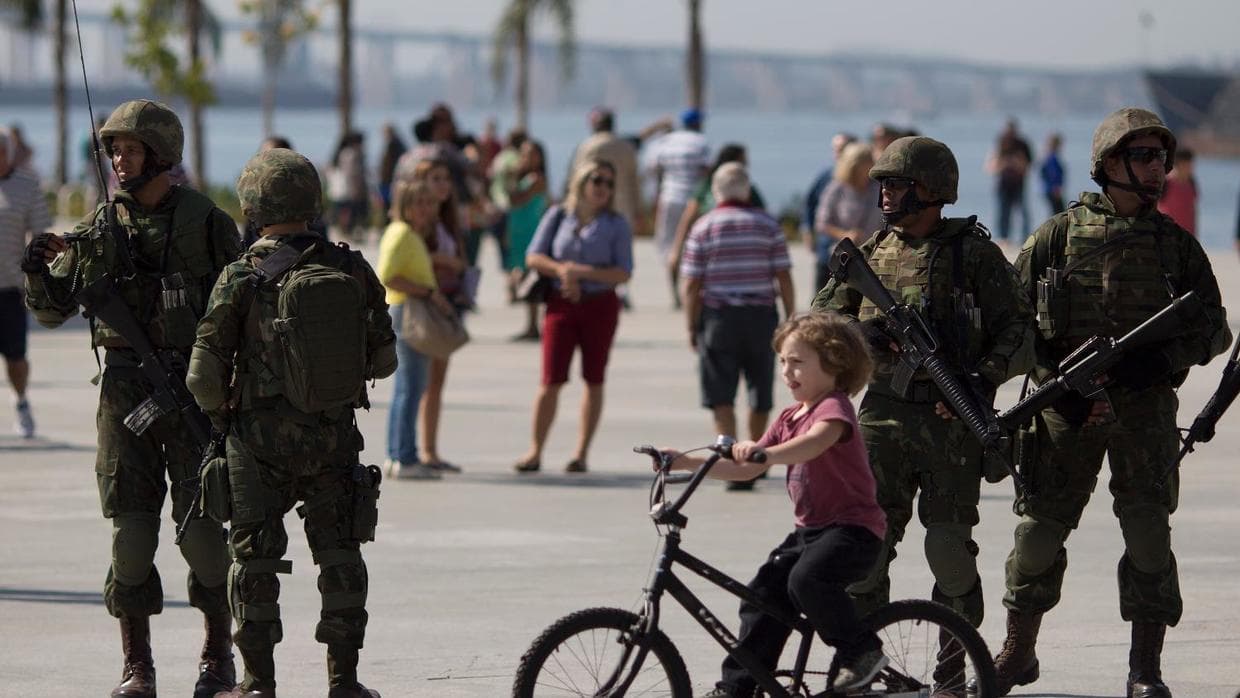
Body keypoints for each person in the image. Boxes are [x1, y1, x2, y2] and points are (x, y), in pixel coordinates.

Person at [984, 108, 1231, 698]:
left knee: (1148, 536)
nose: (1157, 168)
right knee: (1038, 535)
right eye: (1142, 155)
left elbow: (1214, 329)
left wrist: (1163, 361)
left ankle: (1144, 668)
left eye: (1160, 157)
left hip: (1143, 412)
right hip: (1062, 412)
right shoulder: (1057, 237)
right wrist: (1055, 386)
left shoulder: (1175, 246)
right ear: (1108, 163)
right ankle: (1018, 653)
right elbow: (1013, 326)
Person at [22, 99, 241, 698]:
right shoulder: (97, 229)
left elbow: (245, 306)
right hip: (125, 398)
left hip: (195, 396)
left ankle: (218, 654)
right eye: (114, 149)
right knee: (131, 536)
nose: (120, 159)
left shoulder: (206, 223)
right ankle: (137, 665)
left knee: (203, 534)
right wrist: (39, 273)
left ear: (162, 156)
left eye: (132, 148)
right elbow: (51, 313)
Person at [813, 135, 1035, 691]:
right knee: (868, 547)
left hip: (950, 424)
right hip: (882, 420)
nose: (885, 193)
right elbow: (819, 322)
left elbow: (1022, 330)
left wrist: (983, 377)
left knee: (948, 551)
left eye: (898, 183)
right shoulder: (871, 252)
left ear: (933, 191)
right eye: (882, 183)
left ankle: (953, 670)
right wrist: (858, 336)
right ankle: (864, 665)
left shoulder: (974, 254)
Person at [186, 147, 396, 698]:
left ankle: (258, 684)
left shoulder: (240, 277)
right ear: (313, 200)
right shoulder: (351, 266)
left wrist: (225, 412)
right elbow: (385, 360)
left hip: (257, 447)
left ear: (253, 206)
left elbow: (203, 376)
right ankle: (345, 682)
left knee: (254, 562)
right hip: (333, 440)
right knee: (341, 556)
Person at [664, 311, 888, 696]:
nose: (787, 371)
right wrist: (683, 462)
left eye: (798, 362)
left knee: (807, 580)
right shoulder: (789, 416)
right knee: (762, 597)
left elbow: (814, 443)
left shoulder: (832, 408)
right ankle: (739, 686)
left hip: (853, 531)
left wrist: (767, 455)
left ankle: (861, 653)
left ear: (834, 363)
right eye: (783, 361)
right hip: (810, 533)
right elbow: (743, 469)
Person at [513, 158, 634, 474]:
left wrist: (580, 273)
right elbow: (534, 256)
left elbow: (623, 272)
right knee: (550, 379)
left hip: (600, 305)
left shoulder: (616, 224)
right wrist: (562, 271)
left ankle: (581, 452)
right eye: (597, 180)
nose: (603, 188)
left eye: (609, 183)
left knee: (594, 378)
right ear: (580, 182)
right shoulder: (558, 215)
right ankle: (535, 450)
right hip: (560, 305)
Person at [680, 163, 794, 492]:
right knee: (760, 392)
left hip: (719, 319)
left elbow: (691, 284)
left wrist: (691, 324)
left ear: (716, 192)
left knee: (721, 396)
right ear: (746, 190)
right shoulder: (768, 225)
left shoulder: (703, 227)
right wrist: (789, 319)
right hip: (761, 317)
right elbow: (783, 276)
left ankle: (731, 461)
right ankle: (755, 461)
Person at [377, 179, 451, 481]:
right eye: (418, 203)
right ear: (404, 205)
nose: (425, 209)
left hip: (408, 309)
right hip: (407, 311)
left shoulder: (412, 235)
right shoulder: (403, 233)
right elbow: (388, 276)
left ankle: (398, 454)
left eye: (429, 203)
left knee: (407, 388)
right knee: (411, 387)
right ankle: (404, 457)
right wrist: (427, 292)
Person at [409, 159, 469, 473]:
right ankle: (419, 450)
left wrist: (458, 265)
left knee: (437, 381)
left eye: (446, 178)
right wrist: (445, 260)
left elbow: (459, 257)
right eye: (435, 178)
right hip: (426, 304)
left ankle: (430, 447)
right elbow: (411, 255)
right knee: (421, 382)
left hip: (449, 301)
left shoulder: (448, 221)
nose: (443, 185)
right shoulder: (418, 222)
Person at [0, 127, 51, 438]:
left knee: (16, 358)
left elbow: (41, 235)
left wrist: (35, 280)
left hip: (10, 288)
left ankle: (20, 401)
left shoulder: (27, 186)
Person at [666, 143, 768, 277]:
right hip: (710, 251)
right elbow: (688, 217)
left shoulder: (748, 188)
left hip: (740, 254)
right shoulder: (707, 185)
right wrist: (676, 250)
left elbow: (764, 220)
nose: (747, 165)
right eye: (743, 161)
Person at [644, 108, 710, 308]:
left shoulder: (666, 141)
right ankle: (694, 290)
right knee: (697, 244)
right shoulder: (701, 142)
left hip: (669, 197)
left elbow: (652, 168)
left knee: (670, 246)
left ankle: (675, 293)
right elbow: (707, 171)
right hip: (693, 200)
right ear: (698, 124)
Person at [569, 107, 642, 230]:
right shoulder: (626, 147)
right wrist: (638, 210)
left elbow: (577, 177)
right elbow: (635, 180)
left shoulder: (588, 146)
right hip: (624, 206)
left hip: (594, 204)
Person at [505, 139, 550, 341]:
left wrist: (511, 176)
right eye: (523, 154)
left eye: (531, 154)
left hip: (532, 233)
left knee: (530, 277)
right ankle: (531, 324)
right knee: (524, 275)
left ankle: (534, 325)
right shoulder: (523, 178)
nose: (526, 159)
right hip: (519, 232)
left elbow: (516, 200)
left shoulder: (536, 179)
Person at [803, 132, 857, 293]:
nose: (837, 153)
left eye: (842, 149)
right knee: (820, 296)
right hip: (826, 250)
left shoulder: (865, 179)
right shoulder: (826, 176)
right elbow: (809, 203)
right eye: (835, 149)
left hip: (854, 255)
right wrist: (806, 230)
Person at [814, 141, 883, 248]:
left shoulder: (878, 187)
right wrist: (845, 235)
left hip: (876, 250)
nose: (872, 163)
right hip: (847, 251)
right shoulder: (836, 188)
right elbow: (821, 223)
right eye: (867, 161)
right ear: (853, 165)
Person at [988, 119, 1033, 244]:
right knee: (1003, 212)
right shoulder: (1001, 143)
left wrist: (1017, 162)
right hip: (1003, 184)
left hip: (1018, 184)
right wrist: (1004, 163)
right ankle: (1004, 237)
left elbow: (1028, 165)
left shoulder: (1022, 145)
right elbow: (991, 166)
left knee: (1023, 211)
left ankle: (1025, 236)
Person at [326, 130, 370, 242]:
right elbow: (352, 173)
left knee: (344, 211)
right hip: (350, 188)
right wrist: (357, 188)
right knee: (352, 212)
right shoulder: (352, 154)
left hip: (340, 188)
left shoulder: (341, 152)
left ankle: (346, 232)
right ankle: (350, 233)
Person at [1158, 147, 1197, 235]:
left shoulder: (1191, 182)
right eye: (1187, 165)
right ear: (1178, 164)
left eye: (1191, 164)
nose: (1191, 168)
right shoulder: (1165, 183)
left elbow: (1193, 210)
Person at [377, 122, 407, 223]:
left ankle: (389, 224)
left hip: (390, 181)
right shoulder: (398, 143)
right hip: (390, 180)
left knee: (388, 205)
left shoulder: (393, 144)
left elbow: (388, 165)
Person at [1039, 133, 1066, 216]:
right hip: (1053, 189)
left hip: (1048, 189)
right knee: (1059, 214)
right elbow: (1053, 174)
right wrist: (1056, 187)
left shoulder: (1047, 157)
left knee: (1056, 212)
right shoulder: (1052, 158)